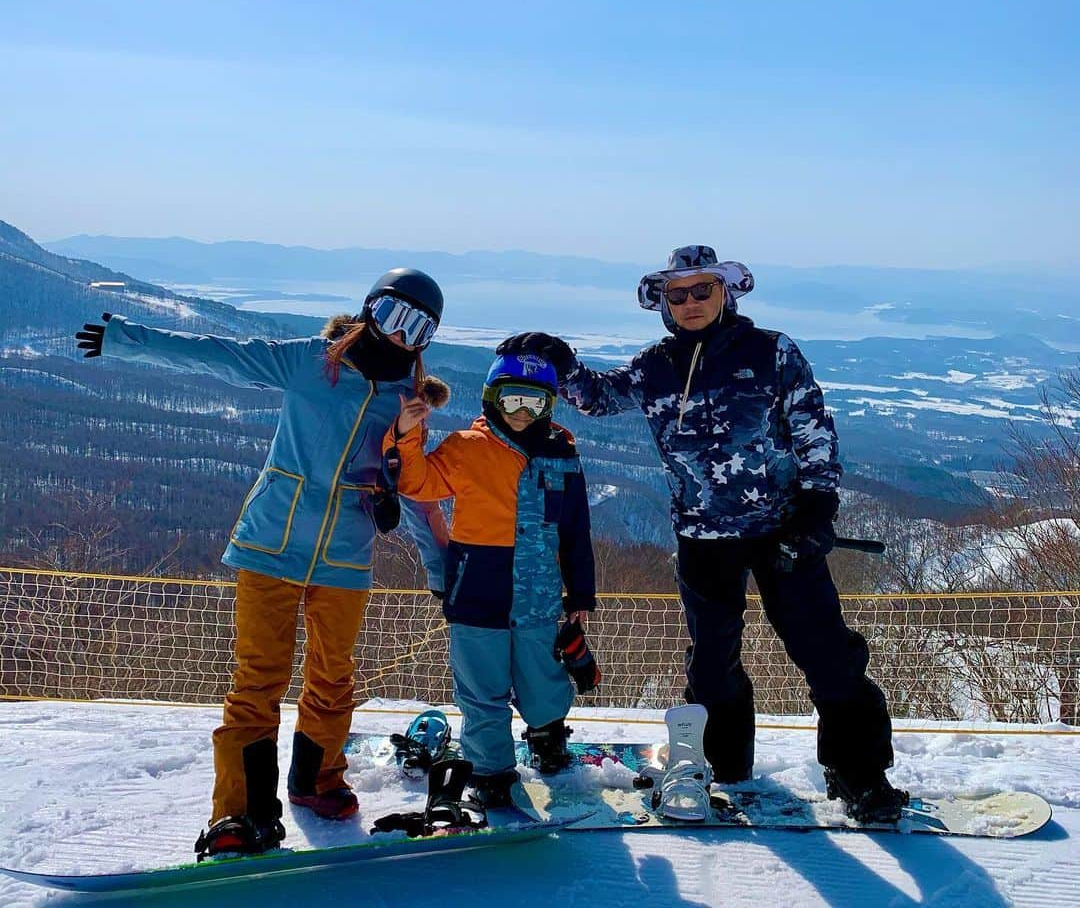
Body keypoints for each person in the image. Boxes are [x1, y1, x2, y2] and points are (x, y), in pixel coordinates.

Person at [497, 246, 908, 823]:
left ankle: (859, 773)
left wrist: (818, 507)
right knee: (712, 663)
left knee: (826, 654)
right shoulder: (655, 364)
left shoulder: (771, 352)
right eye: (677, 294)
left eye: (701, 291)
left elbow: (813, 427)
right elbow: (598, 398)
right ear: (663, 302)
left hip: (782, 530)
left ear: (725, 293)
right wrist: (560, 362)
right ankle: (722, 764)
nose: (689, 303)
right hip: (701, 536)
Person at [74, 269, 451, 857]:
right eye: (394, 316)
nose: (402, 337)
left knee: (333, 679)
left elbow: (419, 490)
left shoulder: (408, 402)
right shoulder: (312, 363)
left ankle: (317, 780)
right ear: (370, 309)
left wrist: (443, 571)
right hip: (272, 541)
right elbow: (220, 355)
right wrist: (127, 338)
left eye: (418, 328)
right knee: (257, 681)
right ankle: (240, 813)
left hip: (344, 555)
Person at [384, 352, 597, 807]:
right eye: (512, 400)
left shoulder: (562, 452)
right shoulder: (467, 447)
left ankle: (547, 735)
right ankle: (490, 770)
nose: (522, 412)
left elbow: (576, 527)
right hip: (477, 586)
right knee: (482, 688)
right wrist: (405, 436)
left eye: (534, 403)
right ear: (491, 399)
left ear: (549, 406)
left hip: (538, 592)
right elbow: (418, 484)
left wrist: (581, 592)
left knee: (541, 679)